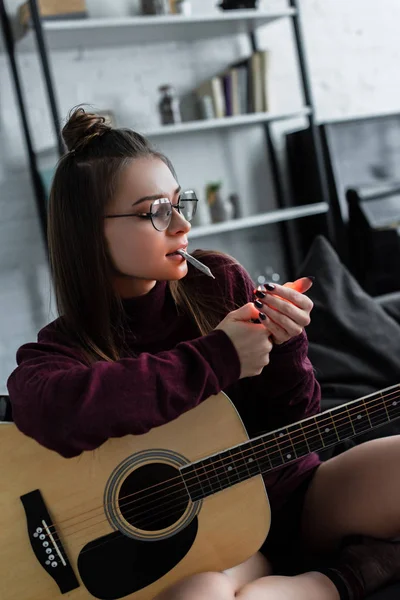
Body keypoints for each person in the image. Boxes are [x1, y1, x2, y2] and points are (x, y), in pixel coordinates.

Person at [7, 107, 400, 600]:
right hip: (221, 542)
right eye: (156, 211)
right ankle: (343, 577)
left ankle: (340, 575)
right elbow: (50, 410)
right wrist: (217, 357)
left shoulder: (218, 281)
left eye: (179, 202)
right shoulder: (60, 350)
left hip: (296, 495)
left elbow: (295, 418)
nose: (183, 223)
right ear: (88, 231)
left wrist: (286, 343)